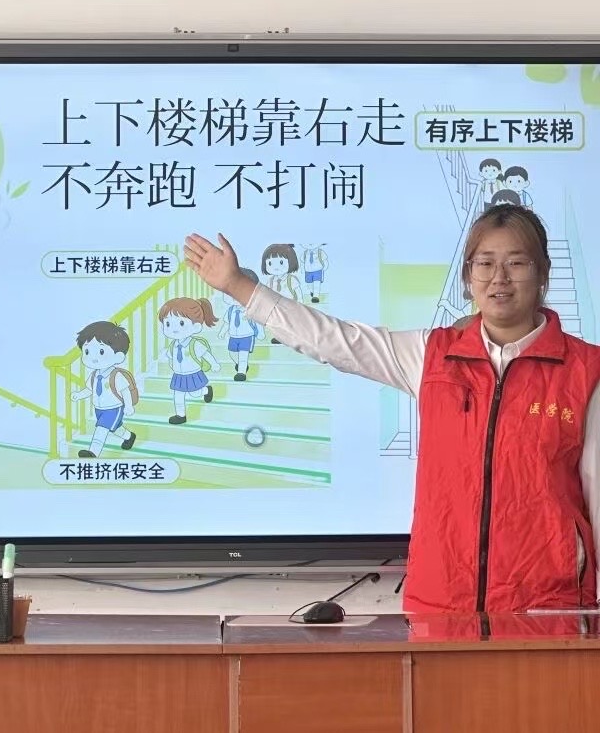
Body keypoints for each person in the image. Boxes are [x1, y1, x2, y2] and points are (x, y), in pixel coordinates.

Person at [184, 205, 600, 614]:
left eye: (517, 263)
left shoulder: (586, 372)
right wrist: (240, 286)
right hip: (441, 604)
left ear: (543, 273)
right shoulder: (432, 355)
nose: (499, 278)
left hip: (549, 608)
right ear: (468, 276)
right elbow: (335, 340)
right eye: (485, 263)